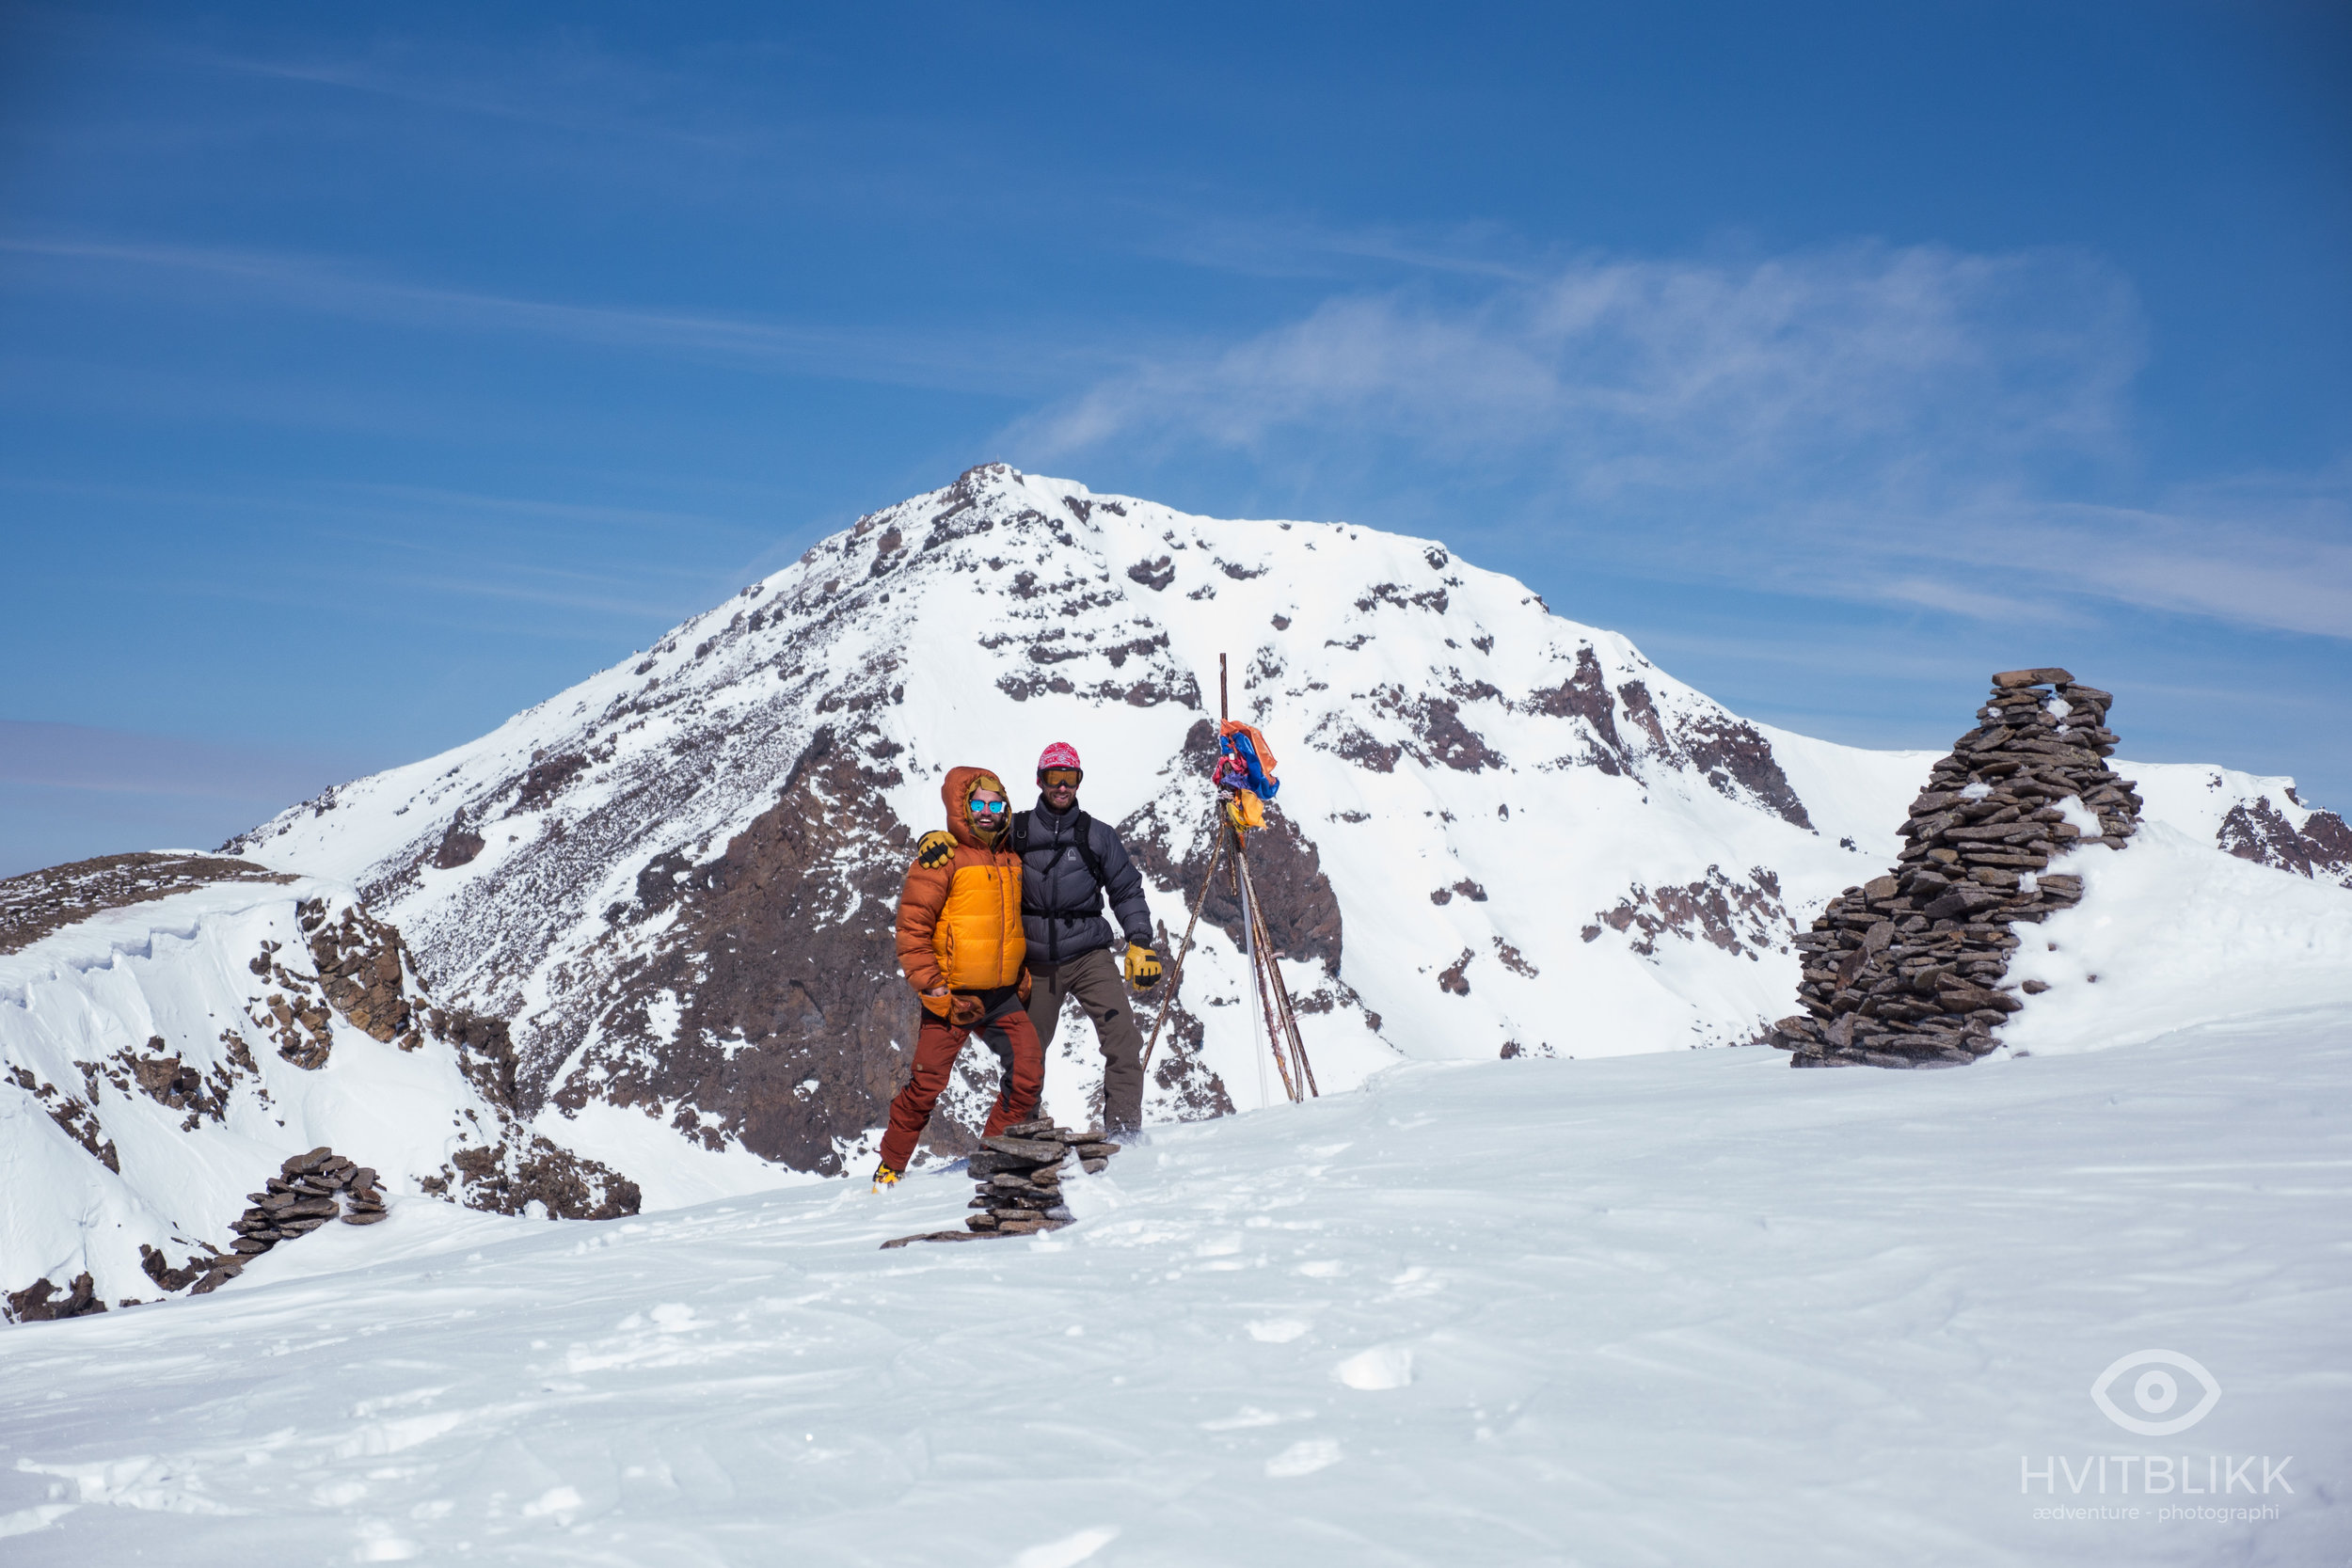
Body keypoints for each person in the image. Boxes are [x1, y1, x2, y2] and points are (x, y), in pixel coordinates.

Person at [872, 767, 1040, 1190]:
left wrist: (1020, 976)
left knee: (1027, 1075)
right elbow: (912, 929)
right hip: (953, 998)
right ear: (962, 809)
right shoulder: (941, 859)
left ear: (1005, 808)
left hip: (1003, 995)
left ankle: (995, 1157)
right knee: (926, 1084)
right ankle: (890, 1166)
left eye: (995, 803)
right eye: (977, 803)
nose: (987, 811)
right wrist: (934, 987)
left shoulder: (1011, 860)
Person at [1014, 742, 1162, 1136]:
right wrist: (936, 839)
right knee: (1025, 1054)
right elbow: (973, 846)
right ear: (1039, 780)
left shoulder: (1098, 836)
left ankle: (1125, 1135)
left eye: (1070, 778)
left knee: (1123, 1041)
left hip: (1088, 955)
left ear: (1079, 781)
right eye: (1053, 778)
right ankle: (1023, 1136)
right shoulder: (1018, 830)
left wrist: (1140, 941)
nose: (1062, 787)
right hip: (1036, 961)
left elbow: (1126, 890)